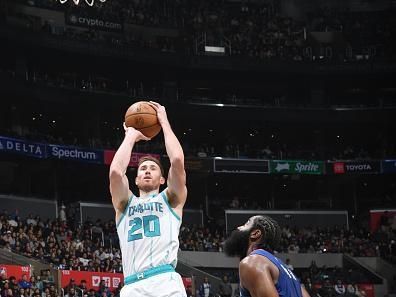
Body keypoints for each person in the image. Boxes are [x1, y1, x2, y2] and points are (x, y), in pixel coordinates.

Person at [109, 101, 187, 297]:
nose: (147, 171)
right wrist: (131, 136)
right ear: (135, 179)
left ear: (162, 179)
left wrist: (165, 123)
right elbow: (116, 173)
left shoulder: (171, 199)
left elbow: (177, 160)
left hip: (165, 281)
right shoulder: (125, 204)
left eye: (153, 169)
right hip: (132, 285)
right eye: (143, 169)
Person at [223, 215, 311, 297]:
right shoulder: (291, 275)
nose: (238, 227)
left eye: (246, 224)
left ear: (255, 233)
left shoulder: (252, 262)